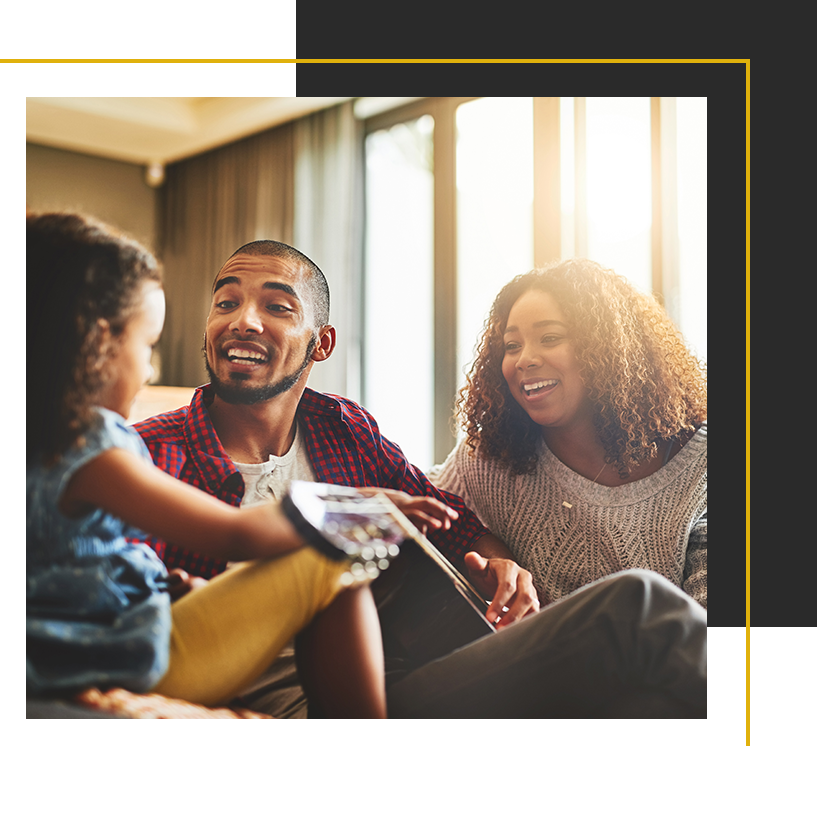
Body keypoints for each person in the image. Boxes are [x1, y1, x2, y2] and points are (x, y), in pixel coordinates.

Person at [135, 239, 707, 719]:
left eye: (278, 307)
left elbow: (449, 520)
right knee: (639, 605)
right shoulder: (147, 457)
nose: (243, 320)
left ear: (322, 343)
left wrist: (504, 566)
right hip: (325, 714)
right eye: (225, 302)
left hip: (404, 684)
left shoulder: (343, 429)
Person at [26, 212, 388, 718]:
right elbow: (237, 534)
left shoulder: (30, 444)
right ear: (98, 345)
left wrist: (159, 589)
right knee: (333, 556)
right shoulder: (96, 448)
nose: (150, 369)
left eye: (277, 306)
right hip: (123, 661)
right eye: (147, 345)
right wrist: (354, 511)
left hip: (88, 646)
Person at [430, 259, 707, 609]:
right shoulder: (490, 459)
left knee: (639, 595)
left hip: (669, 660)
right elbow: (412, 500)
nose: (524, 359)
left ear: (609, 348)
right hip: (527, 661)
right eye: (512, 345)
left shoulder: (701, 466)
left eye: (550, 338)